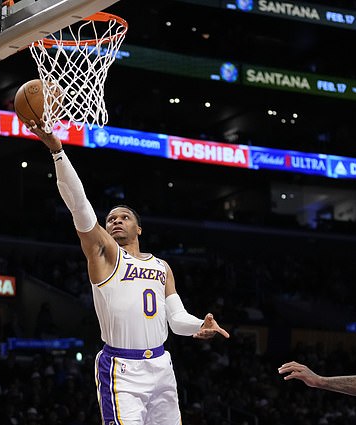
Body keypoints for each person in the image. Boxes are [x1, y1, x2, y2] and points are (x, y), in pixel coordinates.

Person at [28, 123, 230, 425]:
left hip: (161, 365)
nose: (116, 221)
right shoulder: (105, 254)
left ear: (139, 228)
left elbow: (175, 319)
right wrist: (57, 150)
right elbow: (80, 207)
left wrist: (200, 324)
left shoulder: (162, 266)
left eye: (125, 217)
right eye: (111, 219)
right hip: (122, 368)